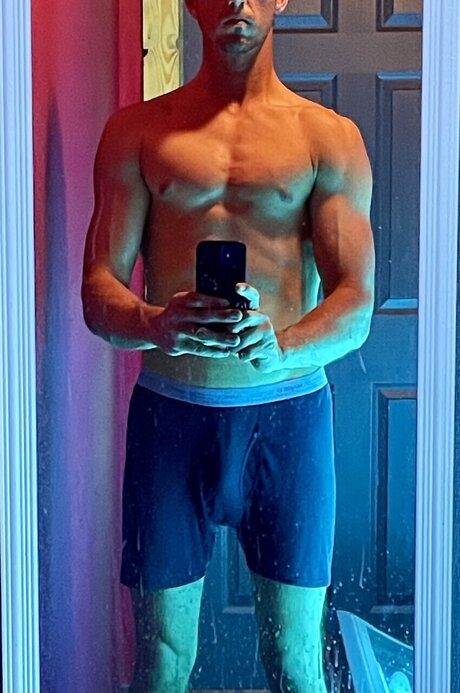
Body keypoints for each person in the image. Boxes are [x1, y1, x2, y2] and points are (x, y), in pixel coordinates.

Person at [81, 0, 375, 690]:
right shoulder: (137, 133)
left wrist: (284, 347)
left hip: (288, 421)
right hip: (171, 420)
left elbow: (356, 303)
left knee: (297, 663)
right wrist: (156, 322)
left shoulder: (327, 138)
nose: (237, 1)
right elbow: (97, 290)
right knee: (160, 663)